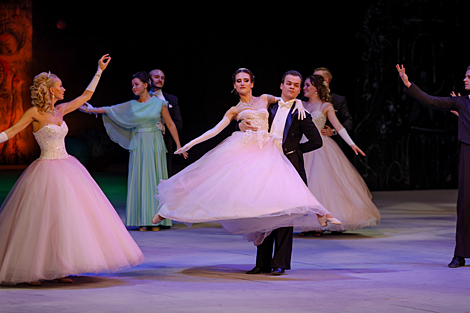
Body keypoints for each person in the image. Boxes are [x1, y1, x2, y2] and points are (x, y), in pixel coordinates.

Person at [153, 69, 341, 275]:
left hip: (285, 161)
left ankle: (285, 257)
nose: (242, 83)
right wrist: (194, 142)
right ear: (234, 85)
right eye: (238, 81)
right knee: (259, 210)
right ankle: (262, 263)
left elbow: (305, 126)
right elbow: (217, 130)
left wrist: (294, 137)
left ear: (252, 83)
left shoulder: (281, 104)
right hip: (259, 158)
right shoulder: (250, 107)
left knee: (286, 212)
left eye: (246, 80)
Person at [0, 55, 144, 286]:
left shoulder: (61, 110)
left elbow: (86, 96)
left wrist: (99, 70)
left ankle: (58, 267)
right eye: (60, 86)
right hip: (45, 170)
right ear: (49, 91)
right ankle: (33, 269)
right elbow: (12, 131)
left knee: (63, 219)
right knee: (40, 220)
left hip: (67, 167)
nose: (64, 89)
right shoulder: (34, 113)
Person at [80, 71, 187, 231]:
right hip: (139, 144)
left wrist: (179, 146)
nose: (134, 88)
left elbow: (171, 124)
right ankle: (143, 220)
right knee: (141, 181)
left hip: (155, 144)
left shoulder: (159, 104)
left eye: (137, 84)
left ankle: (156, 220)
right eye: (132, 85)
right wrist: (90, 110)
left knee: (155, 181)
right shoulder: (132, 105)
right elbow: (111, 110)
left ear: (145, 85)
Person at [396, 64, 470, 268]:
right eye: (465, 76)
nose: (465, 80)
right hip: (468, 155)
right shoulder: (461, 102)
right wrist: (408, 84)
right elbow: (431, 100)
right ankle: (460, 254)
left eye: (469, 77)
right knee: (464, 205)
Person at [298, 74, 380, 235]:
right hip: (303, 146)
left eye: (308, 85)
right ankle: (309, 222)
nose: (305, 88)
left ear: (317, 88)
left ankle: (324, 222)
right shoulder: (300, 104)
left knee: (322, 182)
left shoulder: (326, 106)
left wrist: (352, 144)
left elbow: (340, 127)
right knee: (305, 183)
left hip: (321, 147)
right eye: (305, 85)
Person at [149, 69, 183, 178]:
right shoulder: (140, 98)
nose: (160, 80)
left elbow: (178, 123)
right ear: (149, 80)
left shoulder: (171, 100)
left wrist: (163, 128)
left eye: (162, 78)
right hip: (145, 141)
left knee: (164, 173)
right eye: (156, 77)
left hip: (165, 141)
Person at [313, 67, 353, 152]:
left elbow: (348, 122)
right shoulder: (306, 99)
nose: (313, 80)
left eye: (317, 77)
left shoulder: (338, 100)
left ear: (326, 80)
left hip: (332, 144)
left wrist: (333, 132)